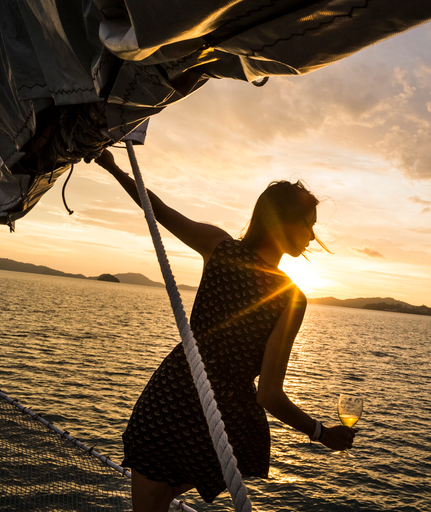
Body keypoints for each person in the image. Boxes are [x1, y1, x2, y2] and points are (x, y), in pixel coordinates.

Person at [95, 150, 357, 512]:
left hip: (169, 398)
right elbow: (269, 396)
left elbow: (155, 207)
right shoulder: (290, 298)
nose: (312, 237)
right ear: (280, 221)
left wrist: (113, 168)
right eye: (306, 224)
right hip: (218, 421)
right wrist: (322, 434)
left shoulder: (220, 248)